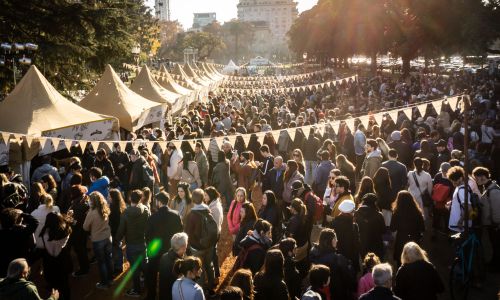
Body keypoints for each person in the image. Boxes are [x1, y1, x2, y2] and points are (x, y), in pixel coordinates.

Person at [145, 191, 183, 300]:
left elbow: (147, 236)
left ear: (159, 202)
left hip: (155, 252)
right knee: (168, 278)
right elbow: (180, 232)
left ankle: (151, 296)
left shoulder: (153, 217)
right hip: (170, 252)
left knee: (152, 276)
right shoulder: (176, 215)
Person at [115, 189, 151, 297]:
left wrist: (116, 240)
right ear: (141, 199)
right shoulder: (145, 210)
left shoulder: (125, 213)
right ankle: (148, 284)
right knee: (144, 265)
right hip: (143, 242)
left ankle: (137, 290)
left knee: (134, 268)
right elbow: (149, 226)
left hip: (131, 244)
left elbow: (121, 230)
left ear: (130, 198)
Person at [309, 228, 356, 300]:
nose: (337, 240)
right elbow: (349, 279)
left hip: (320, 294)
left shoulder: (314, 255)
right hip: (338, 293)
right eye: (335, 238)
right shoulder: (338, 258)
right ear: (330, 241)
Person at [184, 188, 216, 292]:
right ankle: (212, 287)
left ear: (193, 199)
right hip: (209, 245)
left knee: (199, 269)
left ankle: (200, 291)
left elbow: (187, 233)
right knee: (209, 265)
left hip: (197, 248)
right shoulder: (208, 211)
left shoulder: (191, 215)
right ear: (203, 199)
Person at [83, 192, 113, 289]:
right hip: (108, 237)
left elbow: (85, 227)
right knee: (108, 258)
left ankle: (104, 283)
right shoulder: (105, 207)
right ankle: (110, 279)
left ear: (93, 201)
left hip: (98, 239)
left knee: (102, 262)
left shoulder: (92, 213)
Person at [39, 212, 72, 300]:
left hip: (49, 260)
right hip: (63, 258)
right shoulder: (65, 231)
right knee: (64, 282)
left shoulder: (45, 233)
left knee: (53, 282)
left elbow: (48, 248)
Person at [473, 167, 500, 269]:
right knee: (494, 245)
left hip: (494, 226)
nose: (476, 181)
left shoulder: (493, 191)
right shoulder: (488, 188)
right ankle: (494, 263)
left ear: (483, 177)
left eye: (476, 178)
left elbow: (497, 210)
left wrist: (496, 224)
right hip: (492, 225)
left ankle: (496, 266)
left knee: (496, 245)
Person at [0, 208, 38, 277]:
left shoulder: (2, 232)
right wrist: (22, 214)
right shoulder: (21, 232)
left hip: (3, 263)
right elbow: (35, 222)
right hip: (17, 263)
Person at [390, 191, 425, 266]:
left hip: (401, 239)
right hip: (414, 238)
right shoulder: (417, 212)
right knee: (415, 260)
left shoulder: (396, 212)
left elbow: (392, 228)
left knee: (401, 261)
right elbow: (422, 228)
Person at [331, 200, 361, 272]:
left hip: (337, 255)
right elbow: (356, 244)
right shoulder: (354, 226)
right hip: (350, 257)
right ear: (350, 213)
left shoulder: (333, 223)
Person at [68, 186, 90, 278]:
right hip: (83, 230)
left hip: (78, 231)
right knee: (82, 249)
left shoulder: (77, 205)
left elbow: (75, 221)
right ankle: (85, 267)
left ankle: (84, 269)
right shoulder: (83, 199)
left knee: (80, 250)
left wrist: (69, 218)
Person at [355, 193, 386, 259]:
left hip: (362, 244)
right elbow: (383, 230)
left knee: (365, 264)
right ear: (375, 203)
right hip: (376, 245)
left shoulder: (356, 214)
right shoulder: (379, 215)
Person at [159, 232, 189, 300]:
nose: (187, 245)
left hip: (163, 293)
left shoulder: (164, 256)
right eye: (186, 244)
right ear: (182, 247)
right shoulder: (179, 264)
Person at [204, 187, 224, 280]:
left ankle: (214, 276)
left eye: (206, 195)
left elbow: (213, 224)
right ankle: (216, 273)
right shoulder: (215, 203)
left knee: (211, 255)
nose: (204, 197)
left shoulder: (214, 207)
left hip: (213, 234)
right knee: (213, 254)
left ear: (210, 195)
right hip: (216, 233)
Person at [447, 166, 473, 232]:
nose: (453, 182)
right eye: (451, 180)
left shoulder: (462, 190)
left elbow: (468, 208)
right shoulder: (461, 187)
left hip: (460, 225)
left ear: (461, 178)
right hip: (459, 225)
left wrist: (461, 221)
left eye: (455, 180)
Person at [108, 188, 126, 276]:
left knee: (116, 250)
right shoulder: (121, 205)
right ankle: (119, 265)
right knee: (118, 248)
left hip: (114, 233)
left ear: (112, 197)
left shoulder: (112, 208)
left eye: (109, 196)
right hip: (119, 232)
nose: (108, 197)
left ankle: (118, 267)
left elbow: (112, 222)